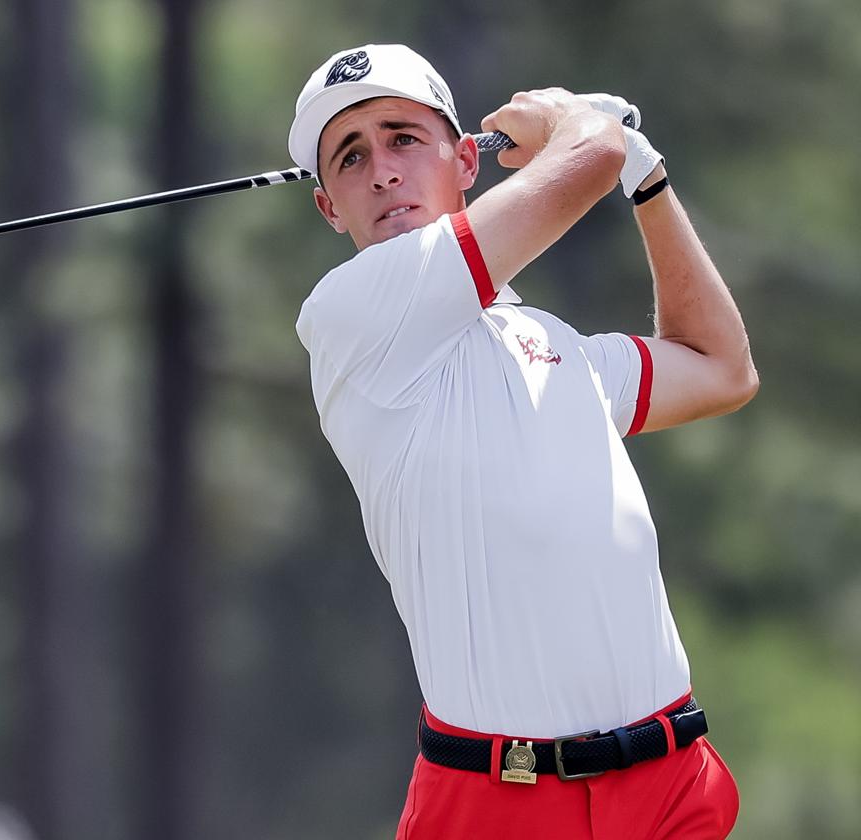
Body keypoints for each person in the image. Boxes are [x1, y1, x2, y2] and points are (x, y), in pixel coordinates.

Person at [288, 44, 756, 839]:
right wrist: (581, 126)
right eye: (351, 155)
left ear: (466, 160)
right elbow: (590, 153)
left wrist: (647, 180)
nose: (383, 171)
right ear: (330, 206)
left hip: (672, 782)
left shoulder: (551, 343)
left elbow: (721, 367)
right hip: (498, 803)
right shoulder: (350, 318)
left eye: (403, 136)